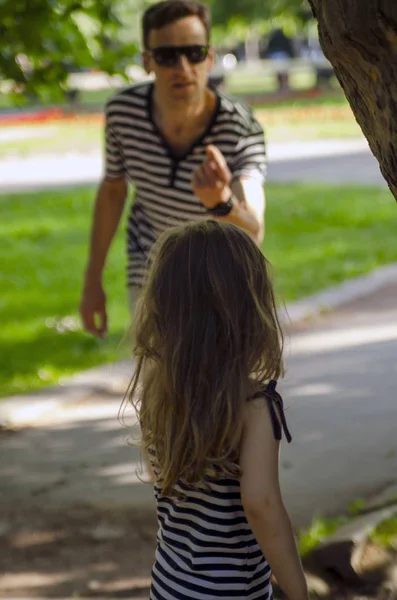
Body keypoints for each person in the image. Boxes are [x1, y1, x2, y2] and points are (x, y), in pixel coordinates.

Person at [128, 220, 308, 600]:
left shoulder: (158, 393)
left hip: (170, 584)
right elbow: (261, 505)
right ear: (249, 310)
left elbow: (160, 479)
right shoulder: (256, 408)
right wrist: (298, 591)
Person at [80, 0, 267, 338]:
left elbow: (253, 232)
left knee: (218, 383)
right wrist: (92, 282)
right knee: (158, 381)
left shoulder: (238, 125)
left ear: (209, 59)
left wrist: (220, 201)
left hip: (220, 273)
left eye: (194, 53)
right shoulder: (124, 113)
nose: (182, 67)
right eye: (167, 56)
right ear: (147, 61)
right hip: (152, 266)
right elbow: (113, 191)